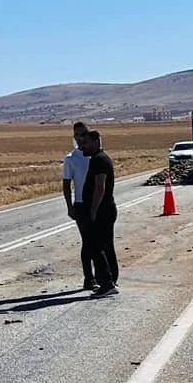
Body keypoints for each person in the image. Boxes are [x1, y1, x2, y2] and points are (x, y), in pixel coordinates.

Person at [80, 128, 120, 295]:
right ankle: (111, 281)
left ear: (96, 142)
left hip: (102, 211)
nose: (83, 147)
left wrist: (94, 210)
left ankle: (107, 284)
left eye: (86, 143)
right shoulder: (98, 159)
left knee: (95, 247)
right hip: (105, 210)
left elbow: (100, 187)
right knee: (105, 246)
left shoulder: (99, 160)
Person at [61, 121, 95, 290]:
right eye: (77, 135)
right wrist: (69, 207)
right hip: (81, 204)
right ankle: (89, 278)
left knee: (100, 241)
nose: (80, 139)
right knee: (87, 241)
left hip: (97, 202)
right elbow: (66, 185)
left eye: (83, 134)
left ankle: (104, 275)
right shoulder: (71, 159)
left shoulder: (95, 156)